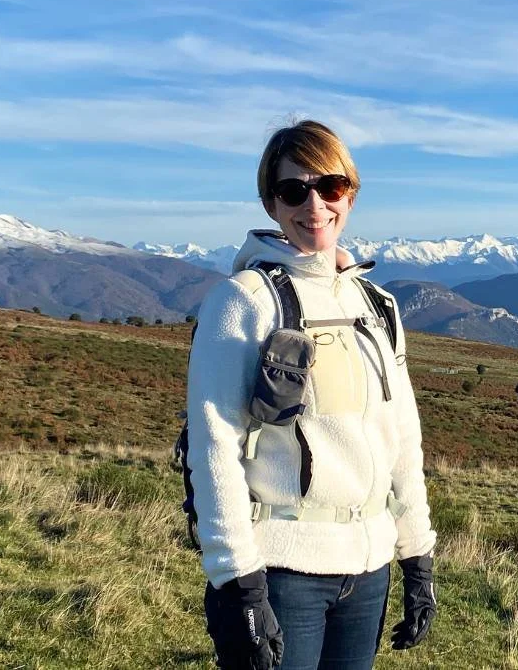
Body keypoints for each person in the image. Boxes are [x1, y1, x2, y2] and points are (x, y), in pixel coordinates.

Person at [186, 119, 437, 670]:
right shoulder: (244, 301)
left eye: (331, 187)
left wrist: (416, 554)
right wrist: (237, 582)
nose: (315, 204)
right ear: (270, 203)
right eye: (294, 190)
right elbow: (215, 447)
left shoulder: (377, 306)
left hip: (369, 569)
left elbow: (401, 437)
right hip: (281, 572)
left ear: (350, 192)